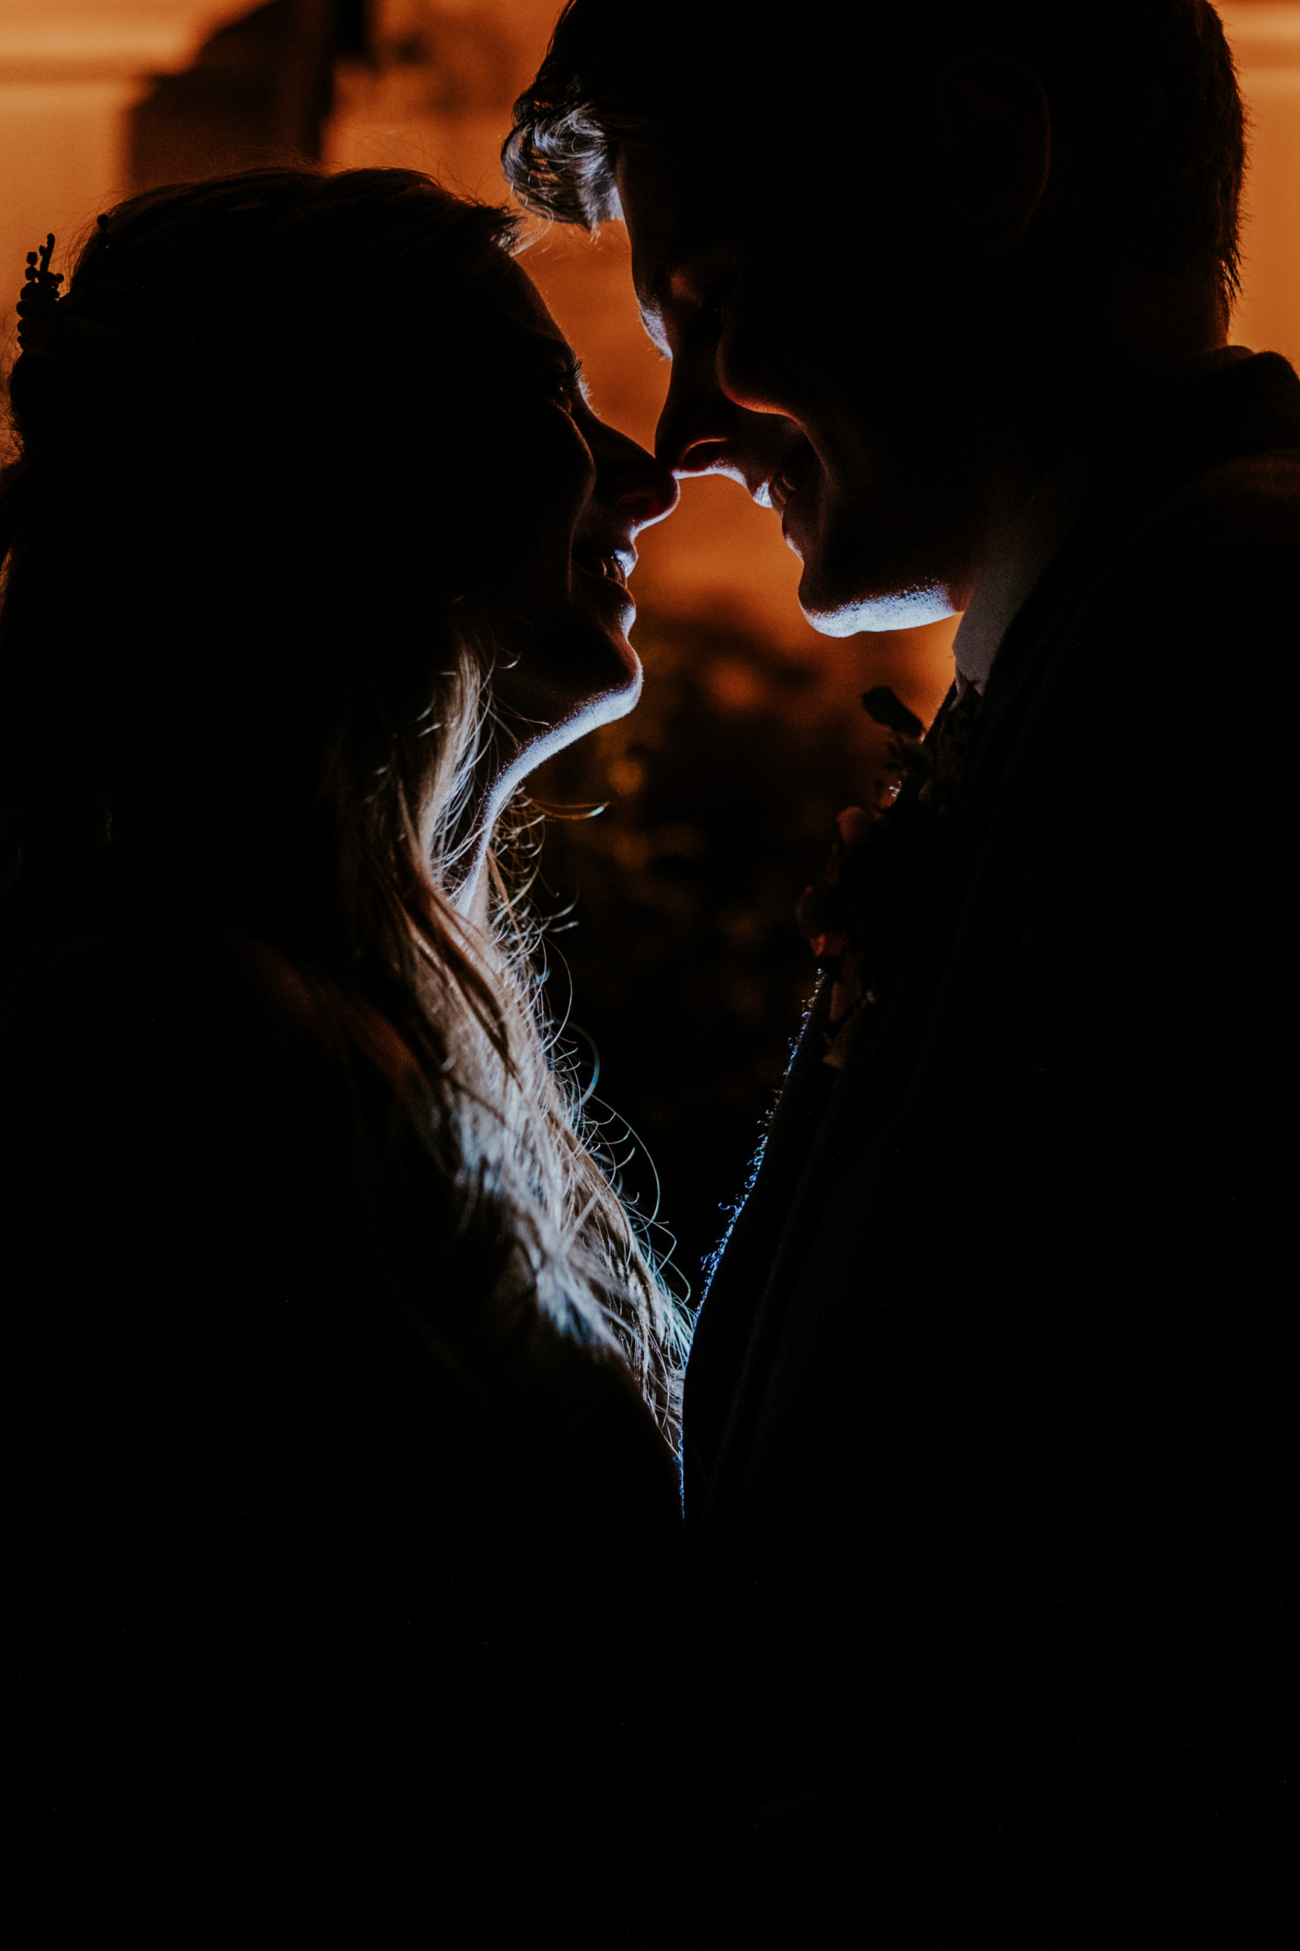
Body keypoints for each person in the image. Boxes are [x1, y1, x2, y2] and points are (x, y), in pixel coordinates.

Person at [505, 1, 1295, 1933]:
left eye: (712, 295)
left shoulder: (1225, 673)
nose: (683, 431)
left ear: (974, 160)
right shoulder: (1109, 657)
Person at [0, 167, 687, 1935]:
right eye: (549, 397)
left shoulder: (336, 1016)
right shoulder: (182, 1047)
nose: (646, 473)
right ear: (331, 463)